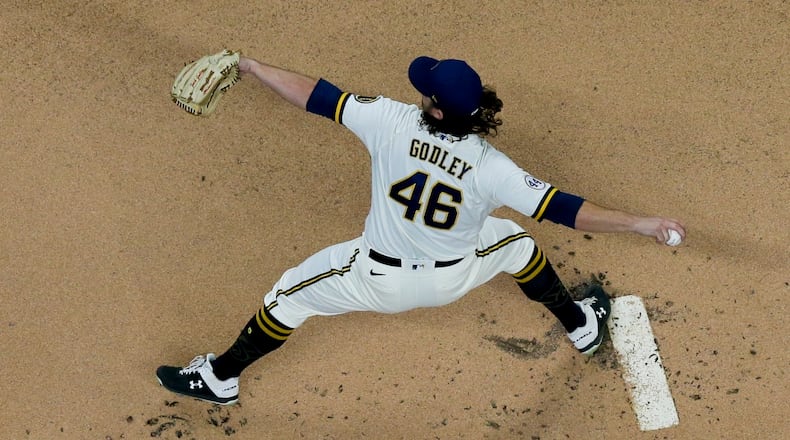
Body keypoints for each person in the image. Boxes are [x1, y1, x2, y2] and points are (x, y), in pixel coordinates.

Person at [156, 55, 686, 405]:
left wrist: (250, 65)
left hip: (374, 278)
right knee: (517, 244)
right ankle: (581, 326)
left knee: (286, 298)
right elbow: (564, 208)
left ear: (434, 108)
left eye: (426, 91)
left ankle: (220, 377)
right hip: (455, 276)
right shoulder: (491, 165)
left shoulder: (391, 121)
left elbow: (318, 96)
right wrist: (639, 223)